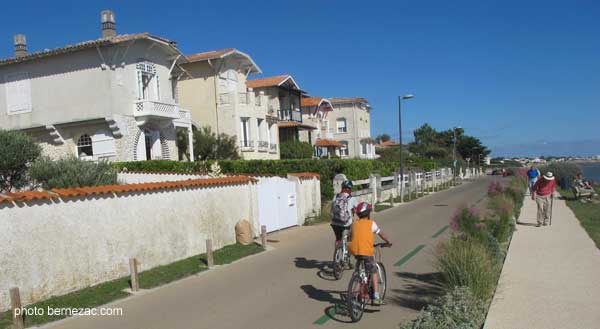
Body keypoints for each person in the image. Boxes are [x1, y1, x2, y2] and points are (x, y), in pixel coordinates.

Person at [347, 202, 392, 306]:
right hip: (366, 252)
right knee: (373, 272)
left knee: (359, 271)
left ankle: (356, 292)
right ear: (368, 214)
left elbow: (350, 237)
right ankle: (376, 296)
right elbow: (381, 234)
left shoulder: (354, 224)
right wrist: (388, 242)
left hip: (355, 252)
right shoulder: (371, 223)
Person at [331, 180, 358, 246]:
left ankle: (336, 254)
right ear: (349, 189)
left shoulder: (335, 196)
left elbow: (332, 208)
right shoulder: (352, 198)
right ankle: (347, 248)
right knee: (352, 227)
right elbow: (357, 209)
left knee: (338, 239)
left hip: (334, 222)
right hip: (345, 224)